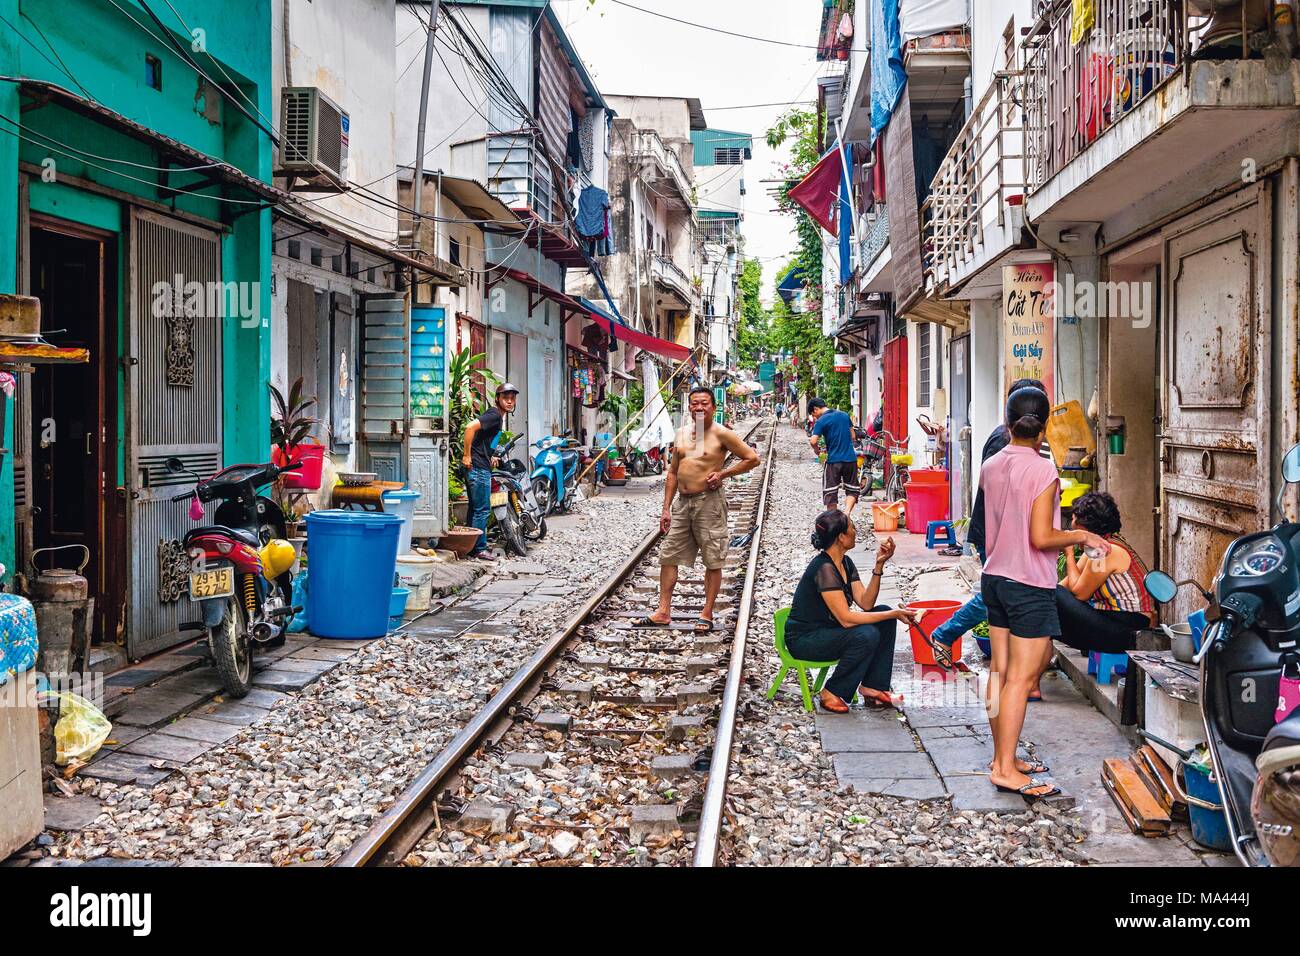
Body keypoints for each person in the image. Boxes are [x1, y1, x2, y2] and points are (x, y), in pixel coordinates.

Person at [979, 386, 1110, 801]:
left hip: (995, 577)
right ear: (1045, 427)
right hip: (1026, 584)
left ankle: (1004, 758)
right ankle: (1004, 768)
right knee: (1023, 676)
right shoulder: (1043, 471)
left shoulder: (992, 465)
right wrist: (1083, 534)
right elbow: (1040, 537)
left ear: (1007, 423)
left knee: (1000, 673)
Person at [928, 377, 1047, 670]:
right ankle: (946, 633)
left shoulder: (1020, 440)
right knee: (998, 593)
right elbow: (1002, 494)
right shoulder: (1002, 441)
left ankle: (1023, 661)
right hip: (997, 531)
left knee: (1002, 592)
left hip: (1007, 531)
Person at [638, 387, 760, 633]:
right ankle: (663, 610)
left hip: (709, 502)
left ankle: (706, 612)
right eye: (695, 404)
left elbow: (752, 458)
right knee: (668, 554)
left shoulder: (722, 434)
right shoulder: (682, 433)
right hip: (682, 503)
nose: (699, 407)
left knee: (712, 558)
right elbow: (673, 472)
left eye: (704, 403)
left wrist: (723, 473)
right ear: (689, 408)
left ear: (713, 407)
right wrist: (666, 508)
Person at [785, 510, 919, 713]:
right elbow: (846, 620)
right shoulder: (824, 569)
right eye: (852, 528)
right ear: (841, 537)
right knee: (866, 634)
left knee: (882, 614)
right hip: (805, 639)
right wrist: (893, 614)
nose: (856, 531)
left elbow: (866, 603)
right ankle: (831, 692)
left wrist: (879, 565)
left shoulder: (845, 563)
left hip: (828, 632)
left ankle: (873, 687)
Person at [1055, 491, 1156, 652]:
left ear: (1086, 525)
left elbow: (1080, 594)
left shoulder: (1104, 551)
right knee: (1046, 596)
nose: (1071, 524)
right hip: (1115, 623)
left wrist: (1068, 554)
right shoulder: (1099, 544)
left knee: (1050, 595)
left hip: (1127, 629)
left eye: (1074, 519)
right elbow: (1066, 585)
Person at [461, 382, 518, 562]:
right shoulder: (494, 415)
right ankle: (479, 548)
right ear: (498, 399)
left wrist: (491, 456)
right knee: (483, 510)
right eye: (505, 398)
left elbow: (484, 441)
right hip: (477, 467)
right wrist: (466, 455)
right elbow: (470, 427)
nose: (509, 402)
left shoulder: (497, 417)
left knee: (475, 509)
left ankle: (471, 547)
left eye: (512, 399)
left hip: (480, 465)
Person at [807, 397, 862, 515]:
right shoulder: (844, 415)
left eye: (814, 415)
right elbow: (853, 436)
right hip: (850, 459)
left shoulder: (821, 421)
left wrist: (817, 451)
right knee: (852, 489)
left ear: (816, 409)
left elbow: (813, 441)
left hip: (833, 461)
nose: (815, 417)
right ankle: (846, 513)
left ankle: (834, 520)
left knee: (830, 492)